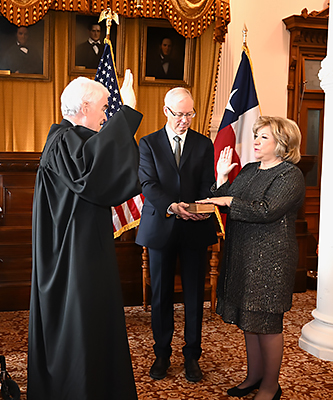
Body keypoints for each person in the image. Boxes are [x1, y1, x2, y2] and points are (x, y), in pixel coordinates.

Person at [28, 70, 142, 400]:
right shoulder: (64, 140)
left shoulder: (70, 141)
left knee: (91, 325)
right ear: (85, 106)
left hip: (82, 250)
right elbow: (94, 174)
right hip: (71, 259)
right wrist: (127, 114)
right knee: (79, 327)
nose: (106, 116)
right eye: (104, 108)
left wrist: (123, 118)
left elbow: (99, 170)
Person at [198, 116, 305, 400]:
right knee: (249, 320)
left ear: (282, 143)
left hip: (271, 260)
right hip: (243, 256)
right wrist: (222, 179)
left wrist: (229, 200)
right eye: (256, 136)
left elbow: (265, 210)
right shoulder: (248, 170)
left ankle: (270, 386)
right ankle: (254, 376)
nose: (255, 141)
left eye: (263, 137)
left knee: (266, 324)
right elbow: (226, 204)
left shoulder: (290, 175)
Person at [135, 87, 217, 382]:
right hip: (161, 226)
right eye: (179, 114)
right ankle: (162, 354)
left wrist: (201, 206)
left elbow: (207, 183)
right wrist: (172, 206)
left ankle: (192, 355)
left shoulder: (203, 144)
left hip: (195, 226)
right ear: (166, 111)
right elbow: (148, 183)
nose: (185, 120)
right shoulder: (148, 143)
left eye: (190, 114)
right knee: (161, 295)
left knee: (195, 296)